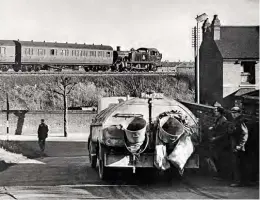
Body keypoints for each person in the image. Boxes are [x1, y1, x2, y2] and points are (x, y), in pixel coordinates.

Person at [228, 106, 249, 187]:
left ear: (238, 113)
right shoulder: (235, 121)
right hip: (234, 145)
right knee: (235, 164)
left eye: (234, 113)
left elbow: (245, 134)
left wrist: (240, 145)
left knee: (238, 164)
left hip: (238, 147)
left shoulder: (240, 121)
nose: (233, 115)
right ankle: (238, 181)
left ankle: (238, 182)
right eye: (232, 113)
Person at [208, 106, 228, 180]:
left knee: (220, 159)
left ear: (220, 112)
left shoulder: (223, 120)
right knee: (216, 158)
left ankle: (222, 175)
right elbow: (216, 127)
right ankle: (219, 174)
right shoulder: (218, 119)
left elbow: (224, 133)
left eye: (216, 111)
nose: (214, 112)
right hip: (216, 142)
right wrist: (213, 127)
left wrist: (215, 138)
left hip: (221, 143)